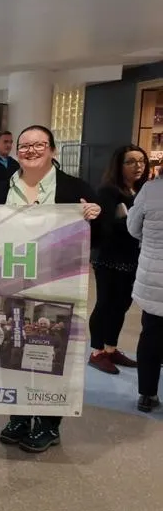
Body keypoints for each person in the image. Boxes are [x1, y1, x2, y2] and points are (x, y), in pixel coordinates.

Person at [0, 124, 102, 452]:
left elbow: (96, 242)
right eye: (24, 146)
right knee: (9, 353)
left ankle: (47, 423)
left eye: (39, 145)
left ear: (53, 151)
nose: (30, 150)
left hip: (57, 288)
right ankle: (18, 415)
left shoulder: (75, 190)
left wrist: (94, 218)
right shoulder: (0, 190)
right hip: (9, 284)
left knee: (49, 352)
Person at [88, 145, 149, 374]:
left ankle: (111, 349)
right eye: (131, 161)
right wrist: (128, 223)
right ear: (119, 165)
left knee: (122, 306)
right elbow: (103, 226)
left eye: (141, 161)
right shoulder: (109, 191)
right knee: (105, 304)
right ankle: (96, 352)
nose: (138, 166)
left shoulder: (143, 190)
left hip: (134, 257)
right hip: (110, 258)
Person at [127, 167, 163, 413]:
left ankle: (147, 395)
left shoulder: (150, 190)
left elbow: (133, 227)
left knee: (151, 335)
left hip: (154, 276)